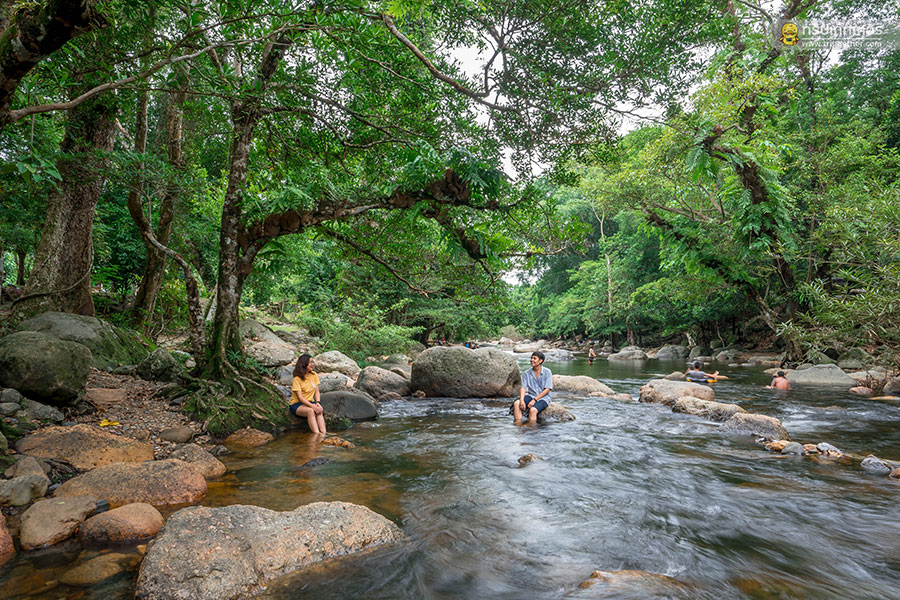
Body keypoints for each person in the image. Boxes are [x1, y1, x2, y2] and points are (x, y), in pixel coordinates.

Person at [290, 354, 327, 434]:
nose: (312, 364)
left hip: (310, 402)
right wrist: (312, 406)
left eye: (312, 362)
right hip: (297, 404)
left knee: (319, 410)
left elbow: (317, 391)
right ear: (304, 363)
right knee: (311, 411)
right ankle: (317, 434)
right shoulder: (297, 379)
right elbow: (300, 397)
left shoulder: (314, 375)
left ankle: (324, 433)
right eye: (310, 362)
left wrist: (317, 403)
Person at [513, 351, 553, 424]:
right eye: (531, 358)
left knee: (533, 410)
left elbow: (547, 389)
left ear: (540, 361)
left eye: (534, 358)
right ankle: (518, 425)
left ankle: (532, 431)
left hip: (544, 398)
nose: (532, 360)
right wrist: (522, 400)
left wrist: (535, 400)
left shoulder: (547, 372)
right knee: (517, 403)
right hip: (531, 395)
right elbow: (523, 388)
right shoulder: (526, 373)